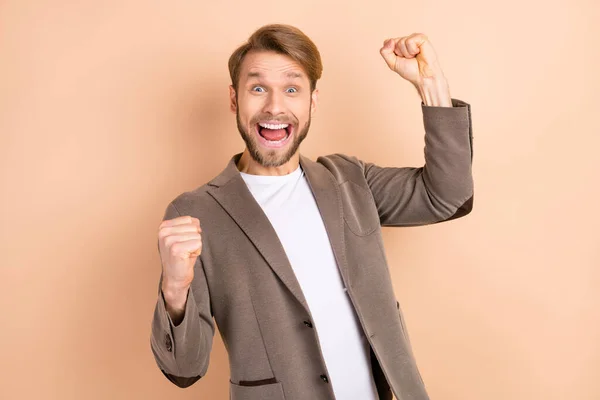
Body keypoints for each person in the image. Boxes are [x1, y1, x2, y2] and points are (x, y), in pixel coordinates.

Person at [150, 24, 473, 400]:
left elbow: (448, 195)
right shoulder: (195, 212)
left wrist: (431, 85)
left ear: (312, 102)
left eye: (292, 89)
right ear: (234, 100)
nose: (274, 106)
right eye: (257, 88)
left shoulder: (350, 180)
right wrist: (175, 289)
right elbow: (185, 369)